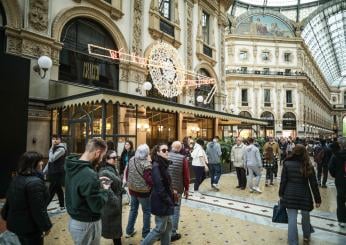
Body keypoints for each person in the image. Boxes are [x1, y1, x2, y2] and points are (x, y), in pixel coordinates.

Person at [65, 138, 111, 245]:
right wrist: (105, 189)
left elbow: (80, 185)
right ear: (97, 153)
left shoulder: (72, 165)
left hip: (74, 221)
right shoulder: (89, 175)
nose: (100, 160)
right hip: (87, 223)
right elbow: (97, 206)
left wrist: (95, 183)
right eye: (102, 156)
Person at [1, 151, 52, 245]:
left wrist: (5, 216)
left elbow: (9, 201)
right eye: (40, 161)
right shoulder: (35, 183)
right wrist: (46, 226)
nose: (42, 163)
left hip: (17, 225)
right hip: (30, 227)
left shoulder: (17, 178)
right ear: (33, 163)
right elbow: (38, 209)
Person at [279, 144, 321, 245]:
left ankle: (293, 242)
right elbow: (313, 184)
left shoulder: (287, 163)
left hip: (290, 194)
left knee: (292, 218)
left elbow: (283, 180)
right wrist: (317, 199)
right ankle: (306, 236)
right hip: (304, 195)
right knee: (305, 216)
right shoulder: (308, 164)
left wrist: (281, 193)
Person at [142, 144, 174, 245]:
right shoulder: (157, 166)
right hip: (161, 201)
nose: (167, 152)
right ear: (158, 152)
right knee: (159, 229)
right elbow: (159, 187)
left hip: (165, 200)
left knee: (168, 226)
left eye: (167, 150)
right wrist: (169, 201)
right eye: (164, 150)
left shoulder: (163, 164)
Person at [125, 144, 152, 239]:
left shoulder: (132, 159)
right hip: (143, 192)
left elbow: (127, 173)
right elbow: (149, 179)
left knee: (133, 210)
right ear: (147, 153)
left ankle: (129, 231)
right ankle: (146, 234)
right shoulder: (147, 164)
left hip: (132, 189)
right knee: (147, 211)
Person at [98, 150, 123, 245]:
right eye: (113, 158)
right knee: (114, 227)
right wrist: (115, 202)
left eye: (117, 157)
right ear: (106, 159)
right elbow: (107, 190)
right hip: (111, 205)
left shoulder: (113, 168)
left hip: (115, 203)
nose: (116, 159)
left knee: (116, 227)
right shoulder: (104, 172)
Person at [168, 141, 190, 242]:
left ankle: (164, 230)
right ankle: (172, 232)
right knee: (175, 210)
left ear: (172, 147)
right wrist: (187, 189)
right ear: (180, 148)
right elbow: (186, 176)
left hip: (166, 188)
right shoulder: (183, 159)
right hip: (177, 188)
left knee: (166, 208)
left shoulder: (165, 156)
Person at [328, 137, 346, 228]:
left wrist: (336, 175)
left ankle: (342, 220)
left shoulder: (335, 156)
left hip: (340, 180)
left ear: (340, 145)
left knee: (340, 200)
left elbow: (330, 168)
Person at [46, 134, 67, 211]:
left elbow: (51, 159)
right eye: (53, 139)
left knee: (51, 191)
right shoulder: (54, 148)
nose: (54, 140)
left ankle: (43, 208)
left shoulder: (61, 149)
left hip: (57, 173)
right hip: (54, 172)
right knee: (58, 190)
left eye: (56, 139)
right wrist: (44, 171)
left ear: (60, 140)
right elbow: (49, 162)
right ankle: (62, 207)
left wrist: (51, 147)